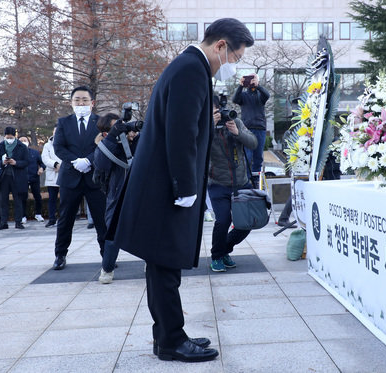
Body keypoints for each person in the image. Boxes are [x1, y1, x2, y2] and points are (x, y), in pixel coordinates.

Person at [107, 18, 254, 363]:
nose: (231, 66)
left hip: (163, 182)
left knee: (163, 264)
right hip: (167, 185)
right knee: (165, 263)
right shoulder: (191, 69)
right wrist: (186, 186)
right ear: (220, 45)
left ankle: (169, 337)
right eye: (233, 57)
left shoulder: (188, 66)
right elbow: (181, 133)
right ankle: (172, 341)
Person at [52, 85, 106, 270]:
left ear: (92, 103)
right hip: (70, 177)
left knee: (102, 219)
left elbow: (105, 145)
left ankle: (107, 255)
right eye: (77, 100)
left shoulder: (100, 122)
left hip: (95, 177)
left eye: (84, 100)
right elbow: (58, 147)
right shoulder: (63, 122)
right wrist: (75, 161)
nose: (81, 103)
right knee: (66, 219)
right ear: (71, 103)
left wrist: (89, 161)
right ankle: (60, 255)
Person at [208, 95, 257, 272]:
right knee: (223, 221)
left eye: (217, 111)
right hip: (217, 183)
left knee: (247, 223)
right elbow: (195, 147)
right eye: (212, 112)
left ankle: (224, 249)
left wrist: (238, 132)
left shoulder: (234, 120)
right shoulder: (203, 126)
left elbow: (253, 143)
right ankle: (216, 257)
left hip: (241, 182)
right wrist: (209, 127)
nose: (218, 115)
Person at [93, 113, 131, 284]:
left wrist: (135, 137)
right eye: (116, 128)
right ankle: (107, 268)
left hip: (139, 192)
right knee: (113, 234)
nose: (122, 130)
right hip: (116, 195)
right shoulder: (105, 146)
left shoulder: (133, 143)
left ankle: (151, 263)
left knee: (149, 229)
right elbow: (101, 164)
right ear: (107, 132)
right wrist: (114, 138)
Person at [232, 73, 270, 184]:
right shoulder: (243, 95)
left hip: (260, 128)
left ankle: (256, 179)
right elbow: (235, 99)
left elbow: (267, 95)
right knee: (247, 156)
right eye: (249, 80)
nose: (251, 82)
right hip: (246, 129)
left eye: (253, 79)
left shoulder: (260, 94)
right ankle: (246, 180)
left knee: (258, 156)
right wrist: (240, 86)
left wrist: (258, 85)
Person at [0, 126, 29, 230]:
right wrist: (2, 162)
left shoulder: (22, 146)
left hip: (17, 176)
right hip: (4, 176)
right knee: (3, 200)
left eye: (11, 137)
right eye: (7, 137)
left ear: (15, 136)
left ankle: (18, 222)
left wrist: (16, 163)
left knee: (18, 200)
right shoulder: (0, 146)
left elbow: (26, 162)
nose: (9, 139)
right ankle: (3, 222)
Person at [19, 136, 46, 223]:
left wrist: (41, 168)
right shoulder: (16, 153)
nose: (23, 142)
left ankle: (38, 214)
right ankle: (23, 215)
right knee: (23, 197)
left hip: (34, 177)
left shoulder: (35, 152)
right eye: (21, 141)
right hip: (22, 178)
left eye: (25, 140)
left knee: (37, 196)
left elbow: (42, 163)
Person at [41, 127, 61, 227]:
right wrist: (55, 164)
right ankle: (52, 219)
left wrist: (62, 166)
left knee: (66, 198)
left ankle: (65, 218)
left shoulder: (67, 143)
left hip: (64, 173)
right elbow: (45, 158)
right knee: (52, 199)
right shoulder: (47, 145)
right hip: (52, 174)